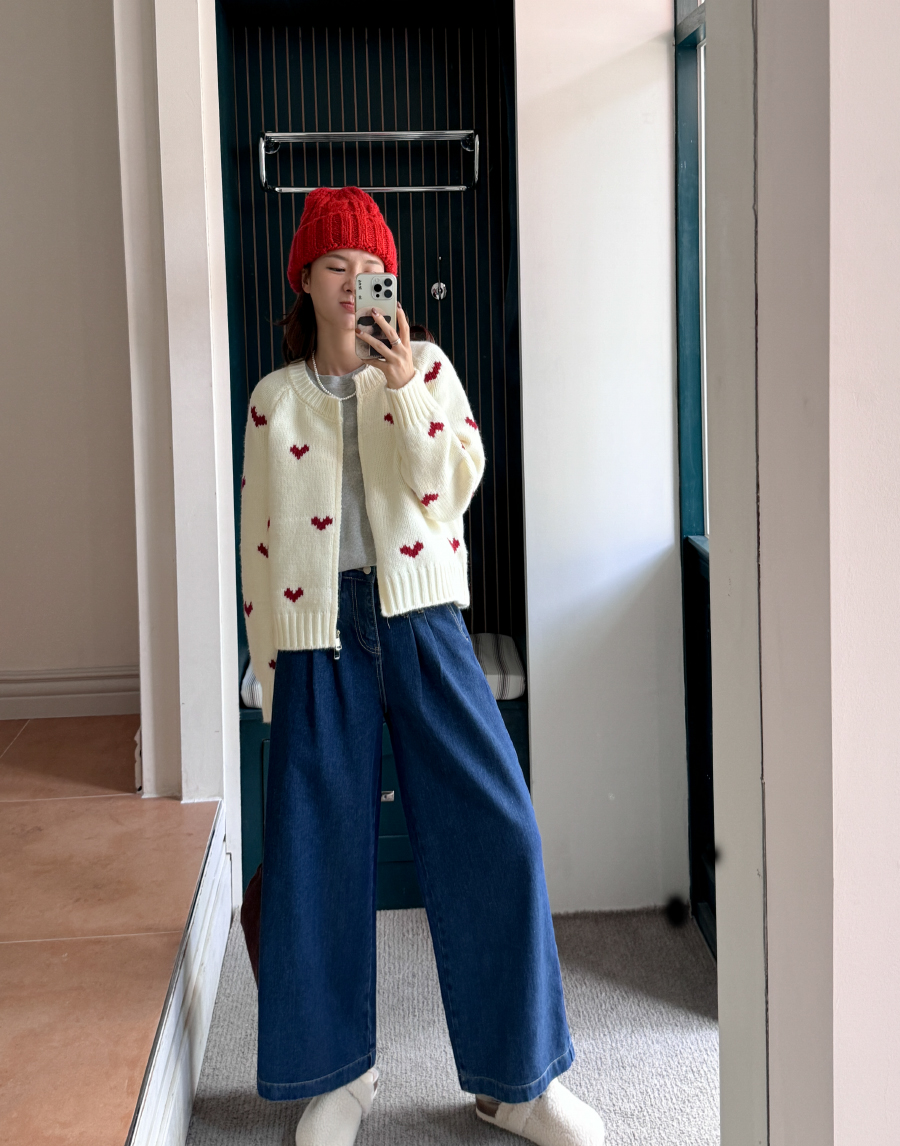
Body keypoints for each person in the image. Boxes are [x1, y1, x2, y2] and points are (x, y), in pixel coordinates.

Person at [240, 186, 606, 1146]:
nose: (355, 281)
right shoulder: (274, 400)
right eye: (337, 266)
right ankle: (338, 1079)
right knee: (316, 853)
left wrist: (403, 389)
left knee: (499, 828)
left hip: (424, 618)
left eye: (372, 268)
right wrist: (268, 668)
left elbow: (450, 490)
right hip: (314, 636)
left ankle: (517, 1082)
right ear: (305, 280)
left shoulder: (428, 369)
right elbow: (259, 545)